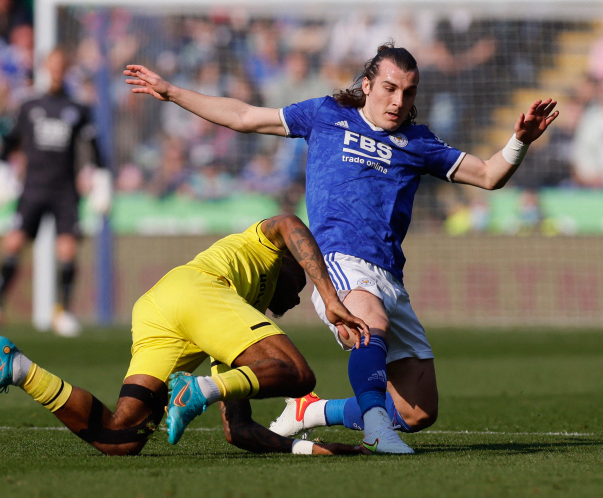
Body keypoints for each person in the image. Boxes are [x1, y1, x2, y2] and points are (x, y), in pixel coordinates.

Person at [124, 41, 558, 454]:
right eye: (389, 88)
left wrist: (520, 141)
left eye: (408, 92)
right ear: (368, 85)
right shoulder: (326, 115)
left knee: (418, 411)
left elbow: (487, 175)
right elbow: (242, 116)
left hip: (389, 273)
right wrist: (172, 92)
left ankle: (313, 410)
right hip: (340, 258)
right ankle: (374, 431)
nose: (397, 101)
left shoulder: (419, 142)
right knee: (370, 323)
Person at [0, 214, 370, 456]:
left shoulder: (238, 322)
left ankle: (17, 368)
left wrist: (305, 449)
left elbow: (238, 429)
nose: (298, 299)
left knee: (122, 437)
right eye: (299, 285)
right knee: (298, 374)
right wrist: (328, 294)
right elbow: (288, 222)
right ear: (289, 261)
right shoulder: (262, 247)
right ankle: (195, 390)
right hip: (198, 290)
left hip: (160, 306)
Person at [0, 48, 111, 337]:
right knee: (13, 243)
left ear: (65, 69)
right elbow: (9, 143)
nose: (56, 71)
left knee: (67, 249)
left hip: (65, 190)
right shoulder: (30, 106)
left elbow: (94, 149)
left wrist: (102, 183)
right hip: (33, 188)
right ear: (45, 68)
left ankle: (63, 312)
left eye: (60, 66)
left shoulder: (77, 108)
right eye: (51, 66)